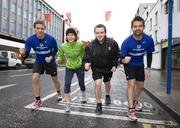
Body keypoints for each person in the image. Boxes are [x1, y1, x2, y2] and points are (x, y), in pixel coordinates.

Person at [19, 20, 62, 110]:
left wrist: (51, 57)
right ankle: (38, 100)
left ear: (44, 29)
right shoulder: (30, 40)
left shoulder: (51, 39)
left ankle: (58, 92)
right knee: (35, 78)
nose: (40, 30)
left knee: (55, 79)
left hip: (50, 61)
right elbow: (25, 56)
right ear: (34, 28)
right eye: (38, 28)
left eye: (42, 28)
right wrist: (22, 54)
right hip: (39, 61)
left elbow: (55, 50)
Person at [120, 16, 155, 121]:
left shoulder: (148, 40)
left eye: (140, 26)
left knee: (140, 86)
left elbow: (149, 54)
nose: (137, 28)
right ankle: (131, 109)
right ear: (132, 28)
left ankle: (134, 100)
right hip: (129, 65)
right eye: (135, 26)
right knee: (131, 84)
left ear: (143, 27)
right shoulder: (126, 42)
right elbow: (120, 58)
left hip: (140, 65)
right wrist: (122, 60)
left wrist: (148, 67)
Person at [84, 24, 119, 115]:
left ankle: (107, 95)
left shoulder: (112, 43)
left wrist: (115, 65)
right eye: (97, 33)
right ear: (95, 34)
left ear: (105, 32)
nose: (99, 35)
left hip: (108, 68)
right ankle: (98, 104)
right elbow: (86, 59)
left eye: (101, 32)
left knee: (107, 83)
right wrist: (86, 65)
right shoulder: (90, 46)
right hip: (97, 68)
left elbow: (116, 56)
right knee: (98, 83)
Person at [56, 28, 87, 112]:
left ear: (75, 36)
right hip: (69, 66)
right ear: (66, 36)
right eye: (68, 35)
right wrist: (59, 59)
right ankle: (67, 104)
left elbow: (84, 55)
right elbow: (61, 55)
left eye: (72, 35)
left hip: (79, 66)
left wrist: (85, 63)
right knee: (67, 83)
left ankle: (83, 94)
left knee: (81, 83)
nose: (70, 37)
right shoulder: (63, 46)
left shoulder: (80, 44)